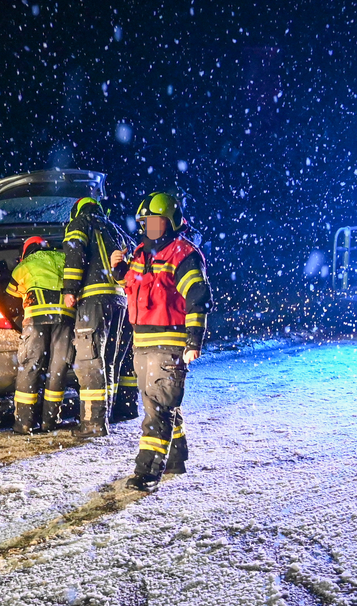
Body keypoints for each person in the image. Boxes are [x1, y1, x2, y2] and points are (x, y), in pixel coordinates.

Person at [110, 192, 212, 491]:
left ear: (171, 222)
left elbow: (198, 297)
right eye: (146, 222)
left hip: (169, 343)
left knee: (157, 408)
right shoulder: (140, 253)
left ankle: (147, 472)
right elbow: (133, 285)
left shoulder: (183, 253)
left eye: (157, 221)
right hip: (142, 342)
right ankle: (176, 458)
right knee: (159, 404)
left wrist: (194, 340)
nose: (150, 227)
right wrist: (119, 270)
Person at [62, 197, 137, 438]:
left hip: (94, 301)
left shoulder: (79, 224)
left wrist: (70, 290)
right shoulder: (115, 229)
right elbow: (134, 256)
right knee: (109, 360)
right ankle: (108, 415)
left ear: (77, 211)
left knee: (90, 361)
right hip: (120, 301)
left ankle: (93, 424)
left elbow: (75, 255)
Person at [7, 236, 75, 433]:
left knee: (30, 366)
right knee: (58, 368)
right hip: (65, 317)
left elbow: (10, 297)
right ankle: (50, 421)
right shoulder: (63, 259)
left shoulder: (25, 264)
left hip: (36, 319)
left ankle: (24, 423)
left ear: (26, 251)